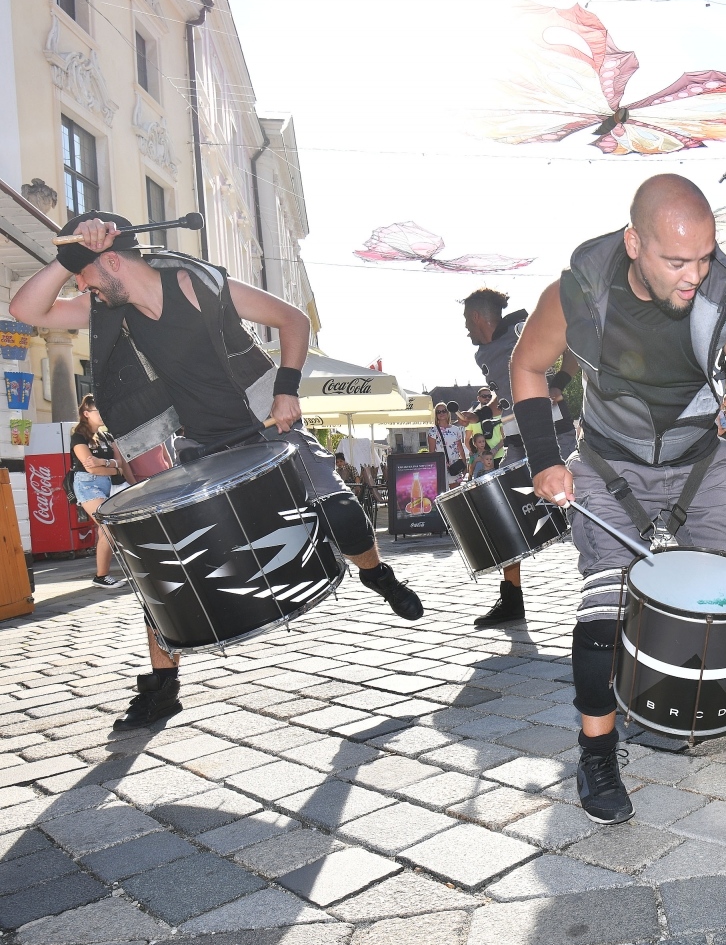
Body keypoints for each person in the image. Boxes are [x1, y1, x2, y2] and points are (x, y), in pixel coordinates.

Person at [9, 212, 423, 731]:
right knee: (165, 567)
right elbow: (26, 309)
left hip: (266, 423)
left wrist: (287, 387)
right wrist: (70, 254)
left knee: (345, 516)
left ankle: (375, 573)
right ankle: (162, 689)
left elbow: (293, 319)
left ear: (112, 259)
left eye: (84, 273)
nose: (81, 284)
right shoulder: (106, 309)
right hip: (200, 449)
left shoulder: (197, 281)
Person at [508, 174, 726, 824]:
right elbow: (527, 368)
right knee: (604, 608)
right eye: (676, 260)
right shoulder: (578, 292)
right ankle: (598, 751)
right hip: (610, 463)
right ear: (633, 244)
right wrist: (542, 461)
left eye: (704, 256)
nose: (692, 274)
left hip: (697, 462)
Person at [463, 287, 577, 628]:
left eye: (467, 321)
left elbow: (571, 339)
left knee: (586, 505)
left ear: (479, 317)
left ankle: (621, 583)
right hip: (516, 440)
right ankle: (512, 598)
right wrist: (482, 412)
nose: (465, 329)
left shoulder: (521, 329)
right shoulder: (484, 352)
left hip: (552, 434)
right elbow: (509, 391)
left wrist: (560, 381)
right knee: (508, 517)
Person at [69, 395, 127, 589]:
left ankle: (104, 575)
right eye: (97, 411)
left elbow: (121, 464)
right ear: (86, 414)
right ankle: (101, 576)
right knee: (108, 526)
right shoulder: (78, 437)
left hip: (108, 485)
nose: (102, 415)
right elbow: (90, 468)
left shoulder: (107, 436)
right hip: (87, 486)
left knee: (110, 528)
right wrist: (113, 467)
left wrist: (104, 463)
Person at [428, 402, 471, 488]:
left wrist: (464, 465)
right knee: (442, 491)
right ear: (435, 415)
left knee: (455, 491)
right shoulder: (433, 431)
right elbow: (432, 452)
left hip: (454, 465)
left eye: (444, 411)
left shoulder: (456, 429)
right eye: (438, 412)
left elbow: (460, 448)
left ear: (448, 413)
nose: (442, 413)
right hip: (440, 465)